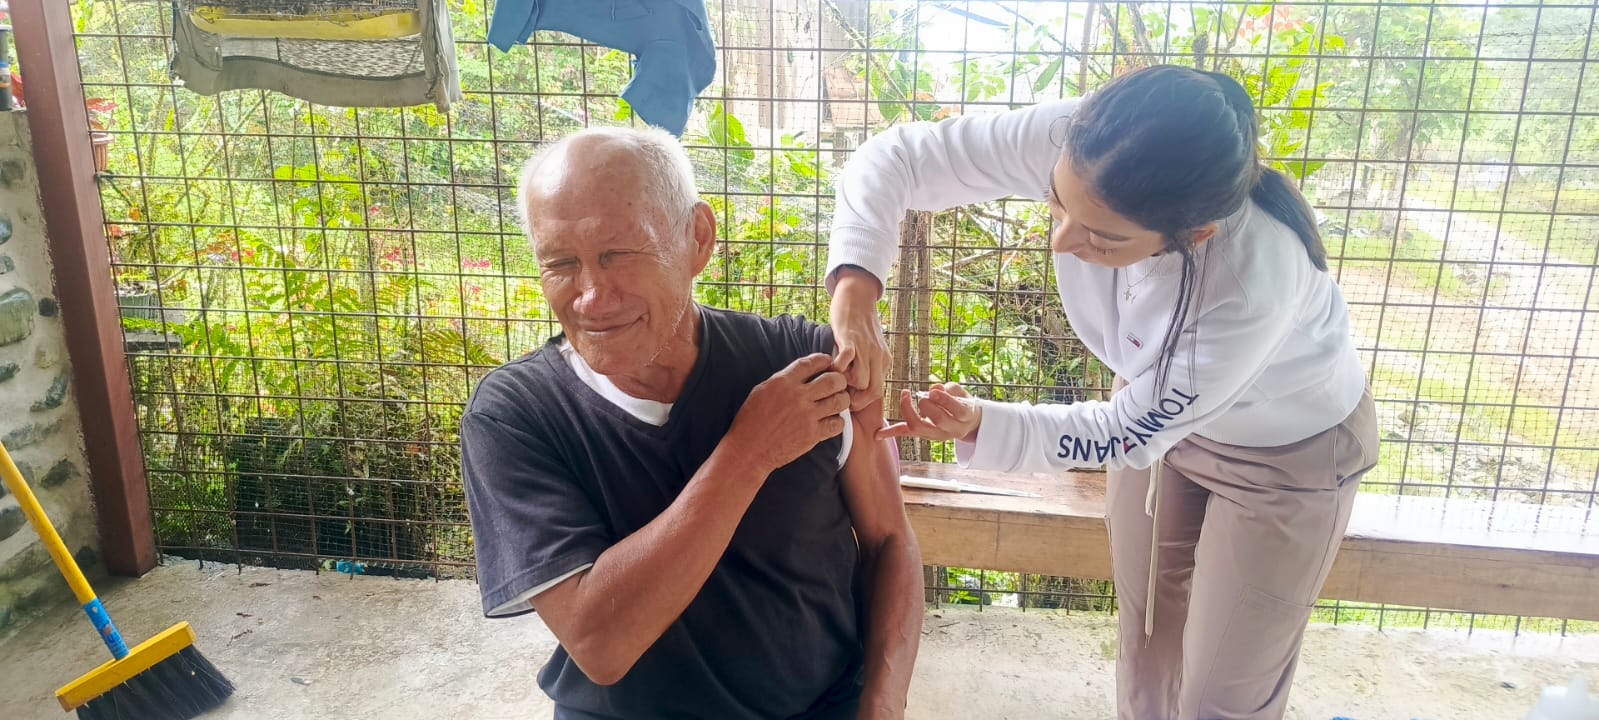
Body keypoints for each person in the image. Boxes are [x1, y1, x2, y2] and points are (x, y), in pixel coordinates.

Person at [824, 64, 1380, 720]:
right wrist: (856, 288)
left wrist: (979, 422)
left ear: (1193, 235)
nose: (1061, 240)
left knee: (1222, 698)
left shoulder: (1250, 281)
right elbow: (895, 158)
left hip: (1283, 454)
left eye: (1103, 236)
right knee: (1146, 646)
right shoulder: (1086, 140)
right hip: (1157, 412)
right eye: (1057, 201)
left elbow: (1124, 433)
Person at [461, 127, 923, 719]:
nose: (592, 297)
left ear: (697, 239)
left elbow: (889, 540)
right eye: (561, 263)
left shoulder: (806, 362)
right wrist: (749, 451)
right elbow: (600, 644)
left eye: (618, 254)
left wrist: (882, 704)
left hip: (820, 706)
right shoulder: (515, 414)